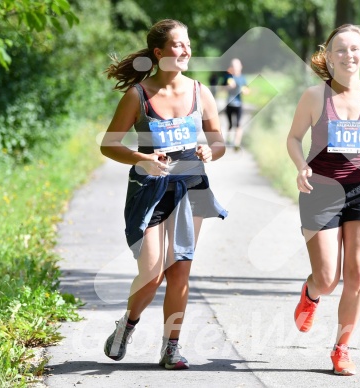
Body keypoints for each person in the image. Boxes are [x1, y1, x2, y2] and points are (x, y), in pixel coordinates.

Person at [100, 19, 227, 370]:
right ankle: (127, 325)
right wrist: (142, 157)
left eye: (187, 44)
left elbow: (218, 141)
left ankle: (171, 348)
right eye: (177, 45)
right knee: (153, 272)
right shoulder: (138, 95)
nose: (186, 50)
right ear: (159, 53)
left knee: (179, 270)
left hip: (191, 187)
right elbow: (109, 145)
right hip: (150, 189)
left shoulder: (201, 92)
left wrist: (210, 152)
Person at [286, 24, 360, 376]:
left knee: (358, 273)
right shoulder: (313, 97)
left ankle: (342, 348)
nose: (348, 55)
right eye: (340, 50)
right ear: (330, 57)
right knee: (328, 277)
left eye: (354, 49)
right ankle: (311, 292)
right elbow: (293, 138)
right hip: (321, 190)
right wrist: (301, 165)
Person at [222, 58, 249, 150]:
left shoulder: (242, 78)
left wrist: (244, 91)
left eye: (237, 65)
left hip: (239, 104)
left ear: (240, 67)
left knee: (238, 124)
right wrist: (228, 87)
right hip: (229, 103)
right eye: (233, 66)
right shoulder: (228, 77)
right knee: (230, 124)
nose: (235, 67)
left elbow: (247, 90)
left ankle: (237, 143)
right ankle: (229, 139)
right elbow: (222, 88)